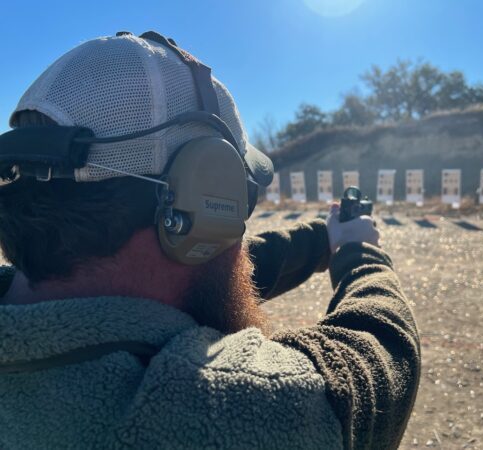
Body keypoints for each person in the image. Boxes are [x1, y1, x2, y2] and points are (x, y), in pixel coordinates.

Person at [0, 32, 420, 450]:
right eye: (241, 196)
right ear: (204, 196)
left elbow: (202, 278)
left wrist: (322, 238)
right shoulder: (219, 405)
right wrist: (361, 252)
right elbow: (382, 353)